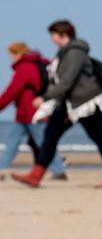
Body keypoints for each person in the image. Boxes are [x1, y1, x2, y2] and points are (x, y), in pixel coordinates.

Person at [11, 20, 102, 188]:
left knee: (99, 137)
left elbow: (66, 82)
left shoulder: (75, 53)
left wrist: (44, 97)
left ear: (63, 34)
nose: (51, 39)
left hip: (86, 102)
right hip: (69, 103)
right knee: (51, 135)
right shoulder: (64, 52)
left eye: (53, 35)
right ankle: (36, 175)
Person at [1, 42, 66, 179]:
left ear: (19, 53)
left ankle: (59, 170)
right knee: (14, 142)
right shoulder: (37, 64)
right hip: (25, 114)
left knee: (43, 142)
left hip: (33, 114)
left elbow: (11, 91)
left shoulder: (25, 67)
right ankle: (2, 168)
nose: (11, 57)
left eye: (12, 54)